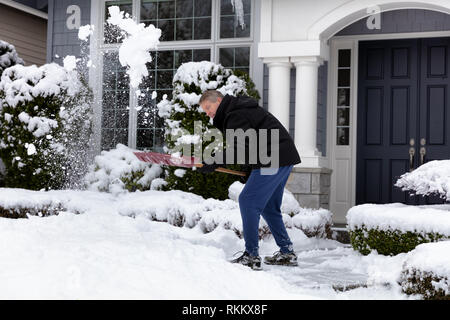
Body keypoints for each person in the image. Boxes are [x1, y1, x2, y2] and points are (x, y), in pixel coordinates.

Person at [197, 90, 301, 270]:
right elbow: (251, 143)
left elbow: (240, 146)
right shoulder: (236, 111)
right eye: (204, 111)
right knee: (268, 207)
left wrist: (214, 159)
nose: (207, 113)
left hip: (274, 156)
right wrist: (250, 167)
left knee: (247, 200)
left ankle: (251, 255)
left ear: (218, 101)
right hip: (282, 156)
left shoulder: (235, 114)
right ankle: (287, 252)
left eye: (208, 107)